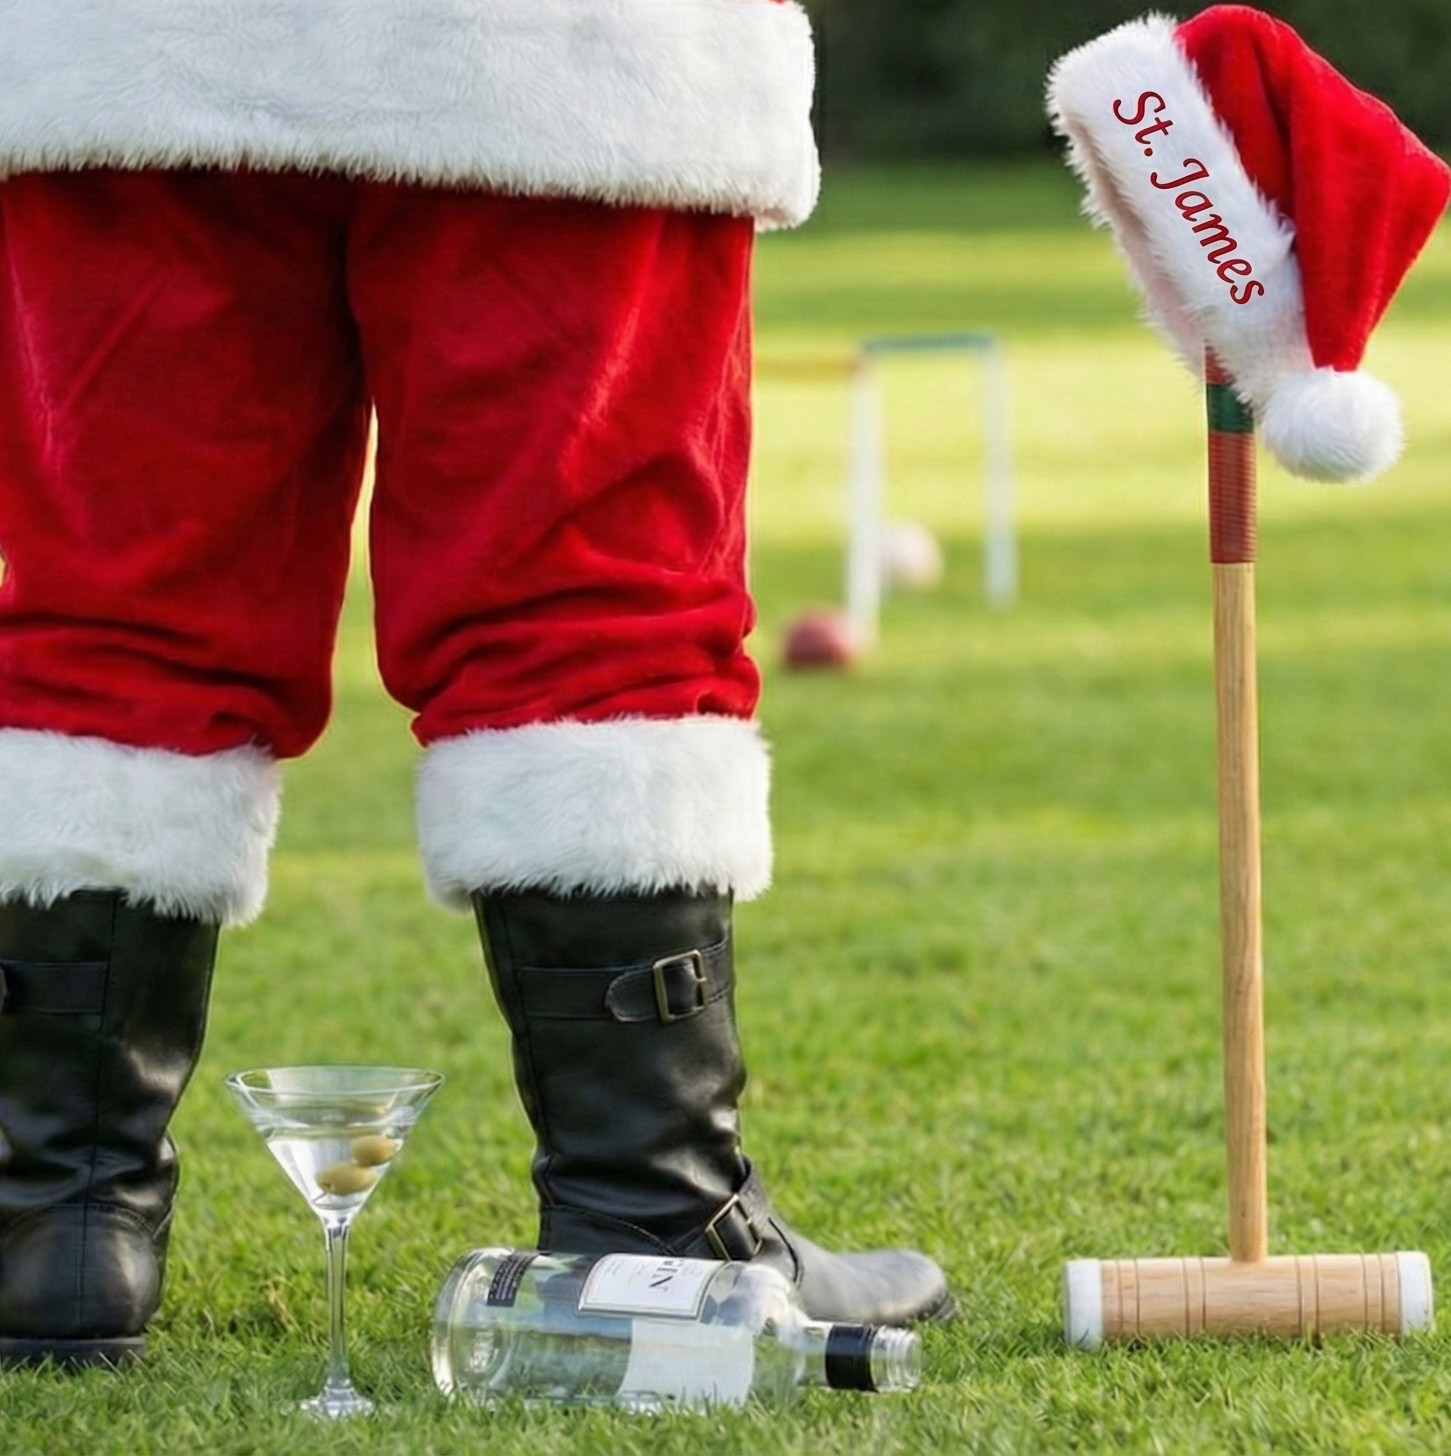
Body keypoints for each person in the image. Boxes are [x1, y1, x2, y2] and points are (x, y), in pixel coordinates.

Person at [0, 1, 952, 1368]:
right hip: (555, 50)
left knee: (120, 600)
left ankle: (53, 1227)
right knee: (589, 597)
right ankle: (651, 1215)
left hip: (132, 44)